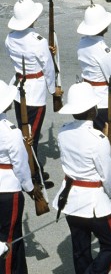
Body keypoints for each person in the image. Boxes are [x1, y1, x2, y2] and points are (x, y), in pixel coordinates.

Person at [53, 82, 111, 274]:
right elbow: (106, 175)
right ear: (92, 110)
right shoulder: (97, 139)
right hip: (94, 202)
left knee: (81, 249)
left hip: (70, 197)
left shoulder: (63, 131)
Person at [5, 0, 57, 176]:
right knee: (30, 137)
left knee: (24, 130)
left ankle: (33, 168)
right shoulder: (38, 41)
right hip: (35, 93)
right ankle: (31, 174)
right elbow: (48, 68)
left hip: (19, 88)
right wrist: (53, 90)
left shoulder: (10, 38)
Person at [76, 3, 111, 157]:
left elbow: (98, 58)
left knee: (94, 137)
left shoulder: (83, 42)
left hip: (88, 97)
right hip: (103, 102)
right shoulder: (102, 49)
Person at [0, 82, 37, 274]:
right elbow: (20, 166)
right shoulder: (10, 131)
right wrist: (30, 188)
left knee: (12, 236)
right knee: (7, 240)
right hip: (8, 190)